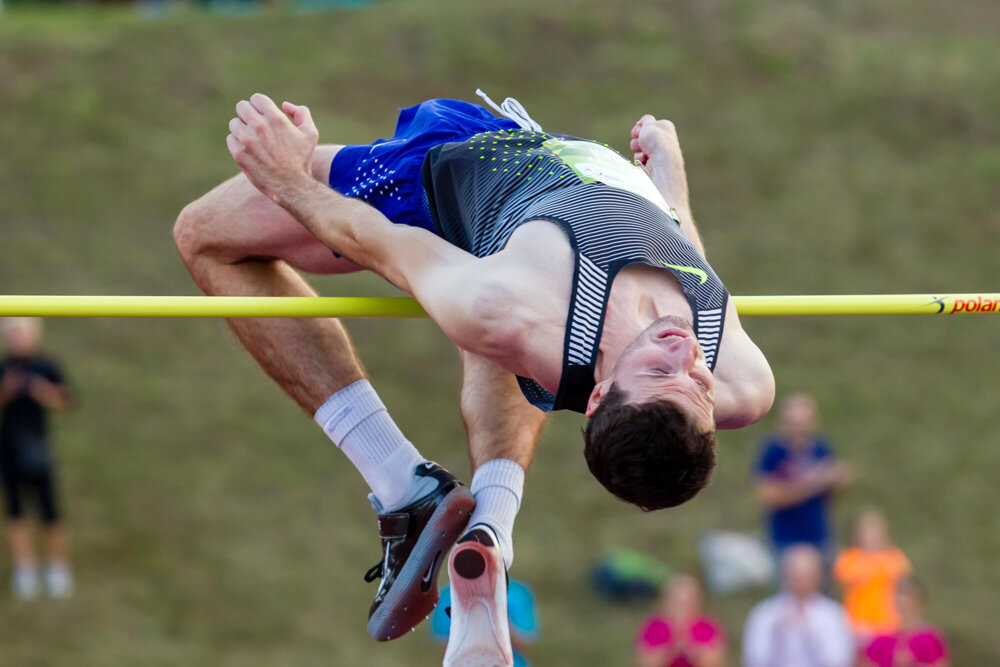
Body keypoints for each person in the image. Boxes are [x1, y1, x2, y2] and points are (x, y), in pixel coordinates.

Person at [173, 92, 775, 660]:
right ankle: (491, 528)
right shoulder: (741, 380)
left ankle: (403, 485)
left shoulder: (510, 307)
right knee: (507, 328)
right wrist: (670, 184)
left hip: (437, 180)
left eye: (660, 371)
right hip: (536, 158)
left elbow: (376, 239)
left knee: (204, 235)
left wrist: (285, 176)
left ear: (599, 393)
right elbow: (695, 267)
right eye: (698, 382)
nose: (685, 352)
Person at [0, 318, 73, 600]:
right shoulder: (5, 368)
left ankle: (58, 569)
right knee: (15, 511)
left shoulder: (46, 367)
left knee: (49, 510)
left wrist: (41, 391)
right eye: (13, 334)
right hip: (8, 448)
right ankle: (25, 570)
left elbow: (67, 401)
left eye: (22, 333)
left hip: (38, 447)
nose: (18, 339)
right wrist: (8, 388)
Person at [754, 393, 851, 563]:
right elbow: (769, 495)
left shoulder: (821, 448)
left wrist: (837, 482)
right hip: (785, 540)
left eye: (804, 423)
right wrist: (814, 482)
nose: (799, 430)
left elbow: (830, 497)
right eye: (794, 424)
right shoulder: (773, 452)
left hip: (819, 536)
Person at [742, 544, 855, 667]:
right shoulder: (765, 612)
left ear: (819, 576)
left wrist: (810, 629)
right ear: (784, 575)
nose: (800, 581)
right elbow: (754, 660)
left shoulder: (833, 614)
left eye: (805, 575)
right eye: (795, 574)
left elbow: (840, 660)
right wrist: (779, 632)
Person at [834, 509, 911, 637]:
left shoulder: (894, 556)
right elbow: (844, 580)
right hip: (857, 623)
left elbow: (905, 582)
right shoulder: (849, 558)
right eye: (866, 532)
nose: (870, 537)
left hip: (889, 623)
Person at [430, 578, 538, 667]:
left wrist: (497, 620)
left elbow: (524, 644)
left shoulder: (516, 594)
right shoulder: (450, 594)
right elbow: (444, 647)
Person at [635, 573, 725, 667]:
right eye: (677, 602)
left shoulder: (708, 626)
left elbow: (716, 660)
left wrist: (694, 654)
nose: (682, 608)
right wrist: (669, 652)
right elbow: (645, 660)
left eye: (688, 603)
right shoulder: (654, 627)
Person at [860, 577, 949, 667]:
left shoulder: (930, 637)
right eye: (899, 593)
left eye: (908, 595)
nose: (902, 600)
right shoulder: (880, 637)